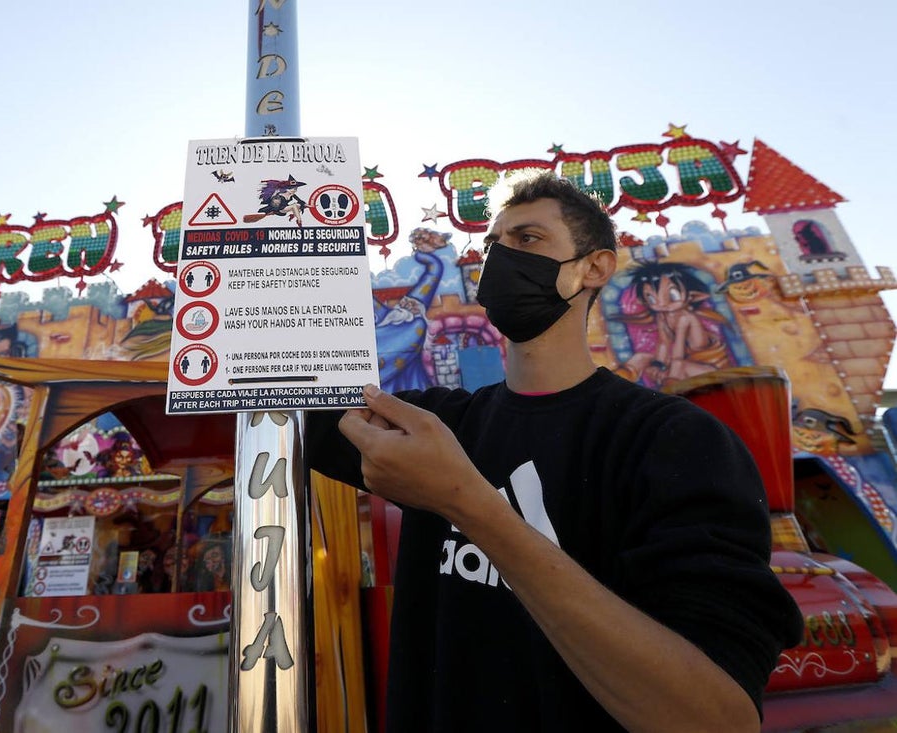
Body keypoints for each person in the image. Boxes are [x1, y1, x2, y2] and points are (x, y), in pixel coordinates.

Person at [308, 173, 802, 732]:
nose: (499, 258)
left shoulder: (674, 441)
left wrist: (467, 503)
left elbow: (716, 719)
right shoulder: (437, 424)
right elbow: (285, 402)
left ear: (594, 268)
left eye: (528, 240)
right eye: (492, 245)